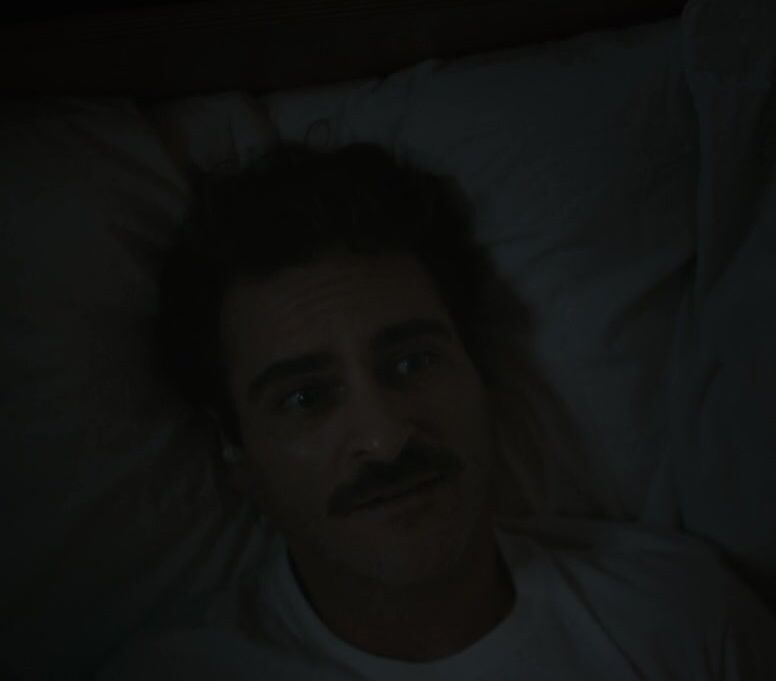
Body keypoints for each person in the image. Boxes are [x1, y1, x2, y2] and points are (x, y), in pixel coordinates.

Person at [102, 141, 776, 680]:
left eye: (412, 363)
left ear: (477, 370)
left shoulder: (676, 619)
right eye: (305, 398)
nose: (386, 438)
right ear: (237, 454)